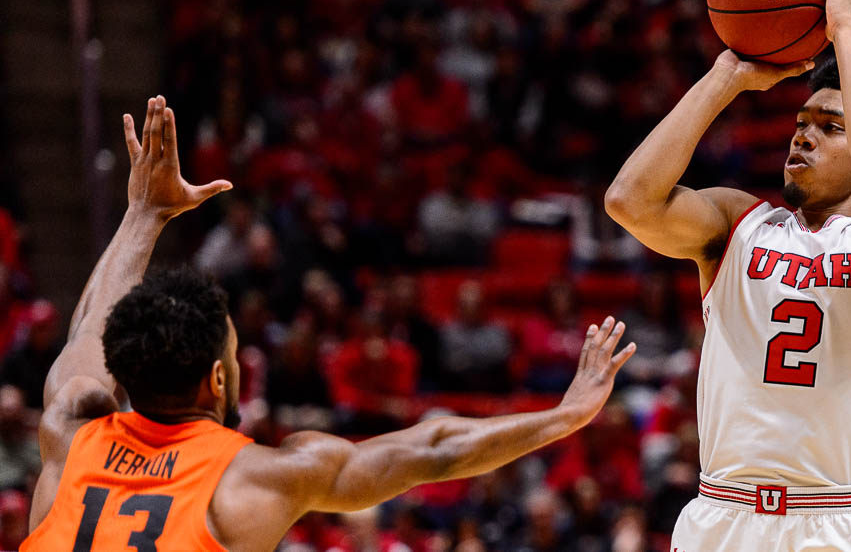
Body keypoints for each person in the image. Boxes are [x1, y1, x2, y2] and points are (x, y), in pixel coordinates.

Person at [21, 96, 637, 551]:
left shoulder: (68, 431)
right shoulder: (255, 478)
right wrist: (563, 417)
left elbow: (88, 332)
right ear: (216, 379)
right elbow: (433, 450)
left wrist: (143, 216)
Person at [605, 0, 851, 550]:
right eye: (800, 124)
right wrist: (726, 78)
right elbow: (628, 201)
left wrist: (845, 29)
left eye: (829, 127)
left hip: (840, 520)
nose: (802, 138)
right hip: (722, 514)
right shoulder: (738, 224)